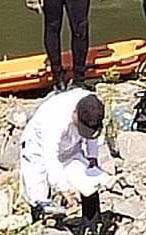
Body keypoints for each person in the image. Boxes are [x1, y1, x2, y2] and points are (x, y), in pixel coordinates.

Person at [18, 88, 112, 227]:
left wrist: (92, 158)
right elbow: (50, 158)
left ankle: (92, 230)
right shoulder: (54, 120)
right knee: (39, 199)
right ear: (75, 114)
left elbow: (92, 137)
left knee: (89, 183)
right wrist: (64, 190)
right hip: (37, 150)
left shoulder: (92, 106)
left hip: (71, 149)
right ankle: (43, 232)